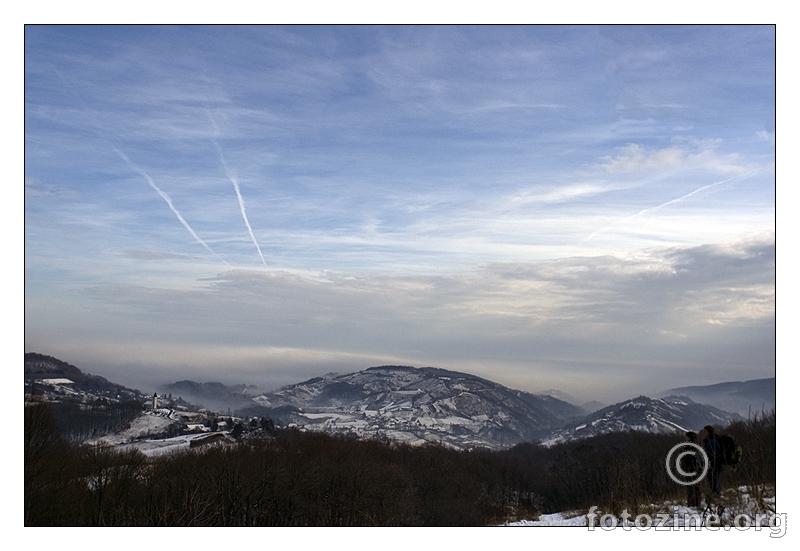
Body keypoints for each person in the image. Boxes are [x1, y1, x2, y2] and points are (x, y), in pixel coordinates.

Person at [702, 425, 724, 502]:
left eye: (705, 431)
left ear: (708, 431)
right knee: (715, 480)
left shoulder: (711, 441)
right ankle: (716, 495)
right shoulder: (714, 440)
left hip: (713, 464)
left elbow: (710, 454)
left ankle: (716, 496)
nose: (704, 433)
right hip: (716, 464)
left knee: (713, 480)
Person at [682, 431, 702, 507]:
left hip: (690, 469)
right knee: (697, 487)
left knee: (690, 487)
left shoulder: (689, 446)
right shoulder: (698, 445)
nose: (685, 438)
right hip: (698, 469)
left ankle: (691, 504)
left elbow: (687, 457)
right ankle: (698, 502)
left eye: (686, 437)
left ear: (689, 437)